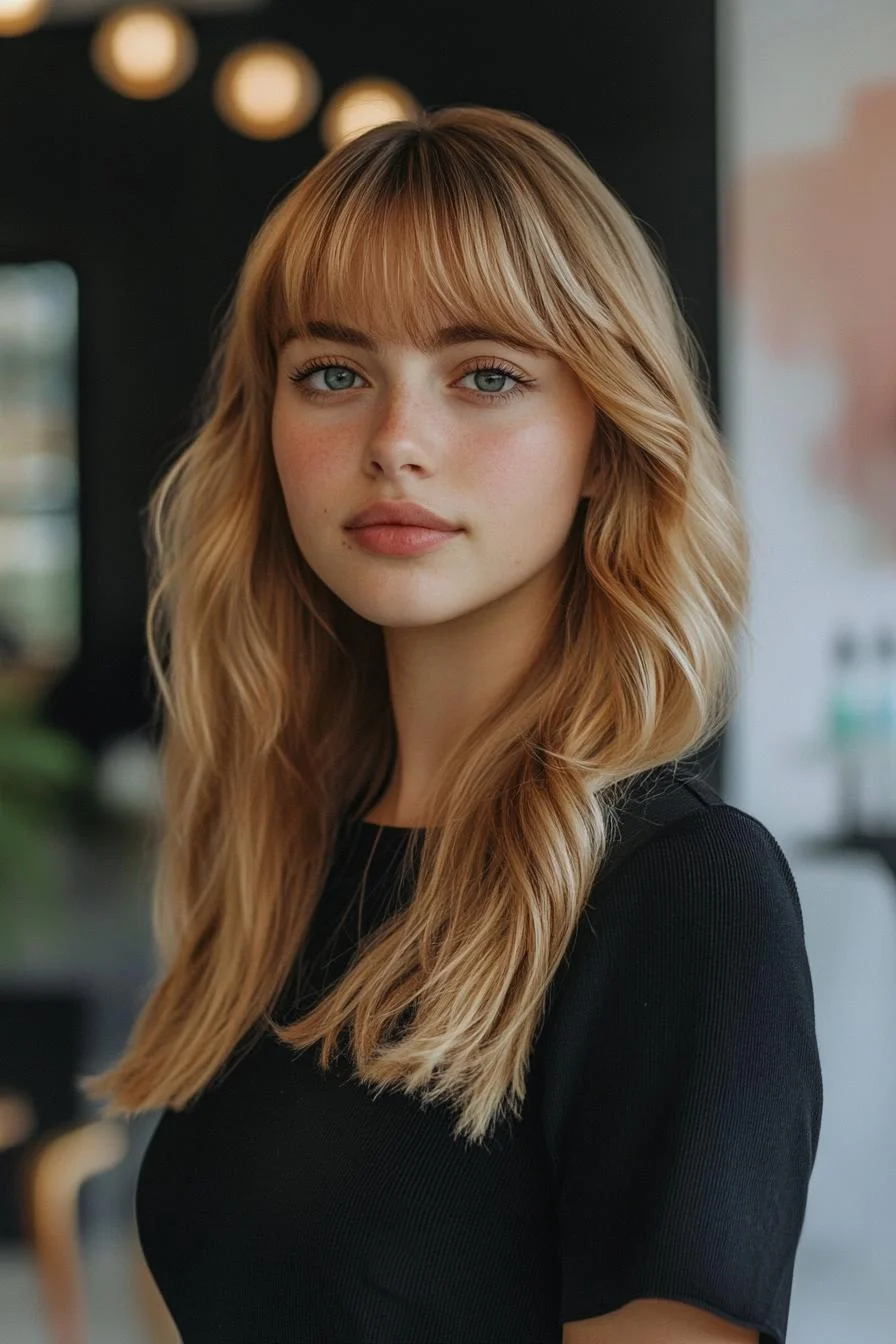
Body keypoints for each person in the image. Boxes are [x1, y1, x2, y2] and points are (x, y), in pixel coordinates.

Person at [80, 105, 823, 1344]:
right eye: (332, 374)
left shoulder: (680, 894)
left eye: (484, 376)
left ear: (601, 439)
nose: (394, 444)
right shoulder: (287, 862)